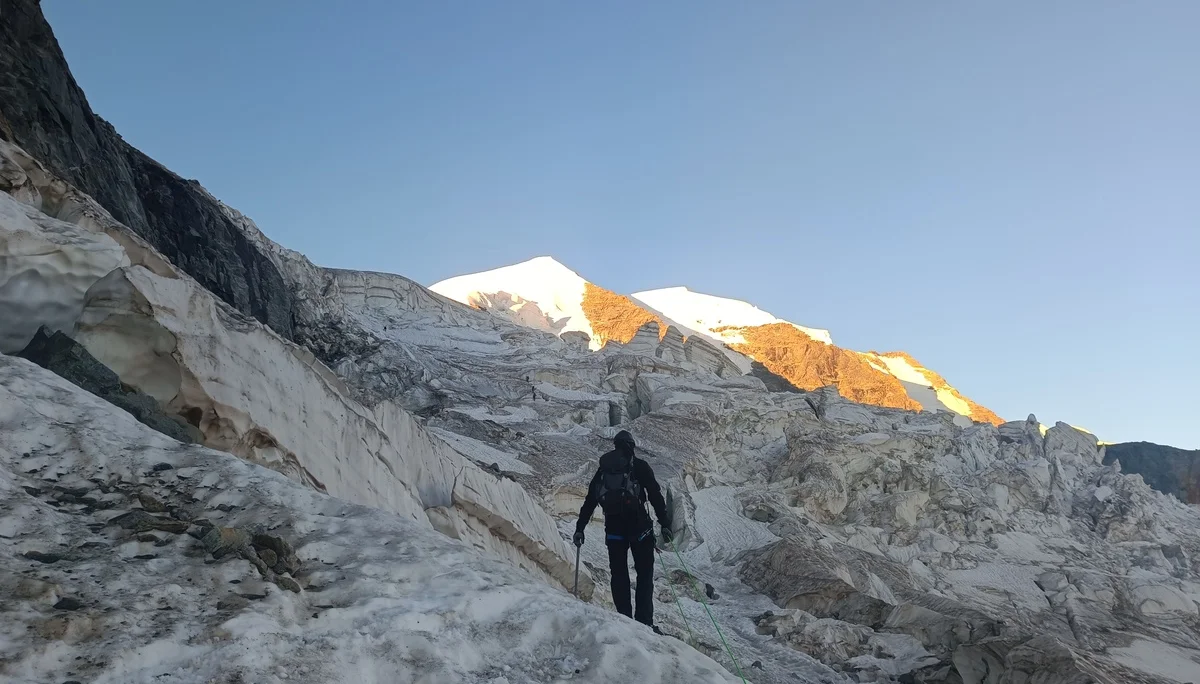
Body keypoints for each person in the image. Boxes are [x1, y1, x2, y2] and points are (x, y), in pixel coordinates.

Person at [573, 430, 672, 631]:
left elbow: (590, 500)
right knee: (644, 575)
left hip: (614, 531)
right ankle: (644, 622)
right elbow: (655, 496)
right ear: (631, 446)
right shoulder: (640, 467)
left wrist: (580, 528)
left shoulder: (603, 471)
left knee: (619, 574)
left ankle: (625, 620)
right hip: (640, 530)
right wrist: (665, 523)